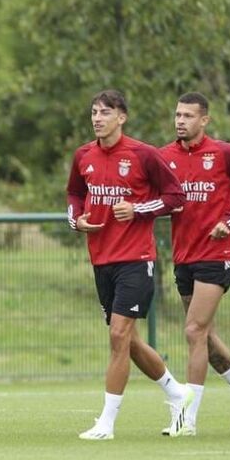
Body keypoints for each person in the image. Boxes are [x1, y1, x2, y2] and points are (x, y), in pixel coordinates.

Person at [66, 90, 190, 440]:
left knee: (119, 335)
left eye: (105, 112)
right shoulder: (83, 155)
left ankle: (106, 424)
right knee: (129, 341)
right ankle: (177, 393)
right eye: (94, 112)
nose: (97, 118)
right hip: (101, 259)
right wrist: (76, 219)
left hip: (136, 259)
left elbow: (175, 197)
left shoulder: (143, 154)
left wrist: (138, 209)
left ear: (121, 117)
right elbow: (74, 194)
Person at [159, 92, 230, 435]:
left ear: (204, 120)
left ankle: (187, 420)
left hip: (215, 255)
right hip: (183, 256)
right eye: (178, 115)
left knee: (193, 331)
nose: (181, 121)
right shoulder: (164, 156)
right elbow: (154, 196)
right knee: (204, 336)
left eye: (188, 116)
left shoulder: (224, 152)